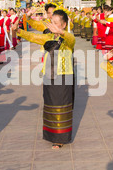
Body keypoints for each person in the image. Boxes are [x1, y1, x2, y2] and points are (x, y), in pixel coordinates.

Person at [11, 9, 75, 149]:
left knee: (61, 105)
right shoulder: (49, 37)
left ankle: (61, 138)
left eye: (56, 23)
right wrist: (19, 31)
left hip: (64, 76)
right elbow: (34, 37)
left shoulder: (68, 39)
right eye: (52, 23)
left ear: (64, 25)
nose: (52, 25)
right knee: (50, 104)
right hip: (49, 75)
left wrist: (62, 33)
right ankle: (51, 135)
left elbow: (71, 39)